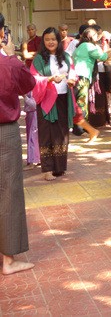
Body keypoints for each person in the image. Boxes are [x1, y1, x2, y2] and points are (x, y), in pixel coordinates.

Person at [0, 19, 36, 275]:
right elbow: (28, 85)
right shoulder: (7, 64)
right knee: (8, 192)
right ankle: (9, 260)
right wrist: (12, 57)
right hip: (4, 133)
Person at [30, 28, 77, 181]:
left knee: (61, 133)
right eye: (47, 39)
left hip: (63, 98)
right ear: (43, 42)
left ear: (58, 41)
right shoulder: (38, 59)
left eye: (53, 39)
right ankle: (48, 169)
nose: (51, 42)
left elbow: (72, 72)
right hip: (46, 99)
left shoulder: (66, 57)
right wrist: (49, 79)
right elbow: (33, 78)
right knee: (47, 133)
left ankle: (59, 167)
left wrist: (72, 80)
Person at [73, 27, 111, 141]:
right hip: (83, 77)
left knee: (78, 102)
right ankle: (81, 129)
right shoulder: (89, 46)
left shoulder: (80, 46)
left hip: (76, 76)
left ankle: (79, 127)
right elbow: (103, 57)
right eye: (95, 35)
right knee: (82, 102)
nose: (97, 38)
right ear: (90, 36)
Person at [21, 23, 42, 168]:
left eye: (32, 29)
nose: (30, 31)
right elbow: (26, 55)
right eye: (28, 29)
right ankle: (33, 156)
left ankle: (38, 156)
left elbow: (36, 54)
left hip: (39, 80)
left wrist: (33, 54)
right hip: (30, 78)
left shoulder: (40, 41)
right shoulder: (26, 43)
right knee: (32, 120)